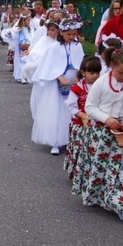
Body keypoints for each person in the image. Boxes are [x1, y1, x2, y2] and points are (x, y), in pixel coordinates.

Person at [83, 48, 123, 223]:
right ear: (111, 65)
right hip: (103, 133)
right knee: (102, 167)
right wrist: (106, 118)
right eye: (121, 72)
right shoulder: (101, 83)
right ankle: (98, 196)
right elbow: (90, 107)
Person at [30, 18, 85, 154]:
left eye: (74, 34)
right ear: (61, 32)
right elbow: (48, 65)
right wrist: (59, 77)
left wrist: (79, 76)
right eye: (69, 34)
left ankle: (70, 139)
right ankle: (55, 141)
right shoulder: (55, 47)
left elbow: (82, 62)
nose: (72, 37)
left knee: (71, 109)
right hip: (58, 83)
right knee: (57, 111)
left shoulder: (77, 46)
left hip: (74, 81)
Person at [64, 56, 102, 193]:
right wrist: (81, 114)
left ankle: (89, 173)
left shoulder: (100, 86)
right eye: (92, 73)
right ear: (83, 72)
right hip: (80, 124)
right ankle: (75, 171)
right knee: (78, 148)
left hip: (95, 124)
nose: (95, 76)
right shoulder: (78, 88)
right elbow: (70, 105)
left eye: (98, 73)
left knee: (91, 149)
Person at [2, 13, 33, 84]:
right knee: (20, 62)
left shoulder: (29, 29)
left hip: (27, 47)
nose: (29, 22)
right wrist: (11, 34)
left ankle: (24, 76)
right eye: (27, 20)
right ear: (23, 20)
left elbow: (31, 36)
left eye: (29, 20)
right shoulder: (18, 29)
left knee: (25, 61)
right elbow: (12, 34)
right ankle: (20, 76)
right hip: (20, 47)